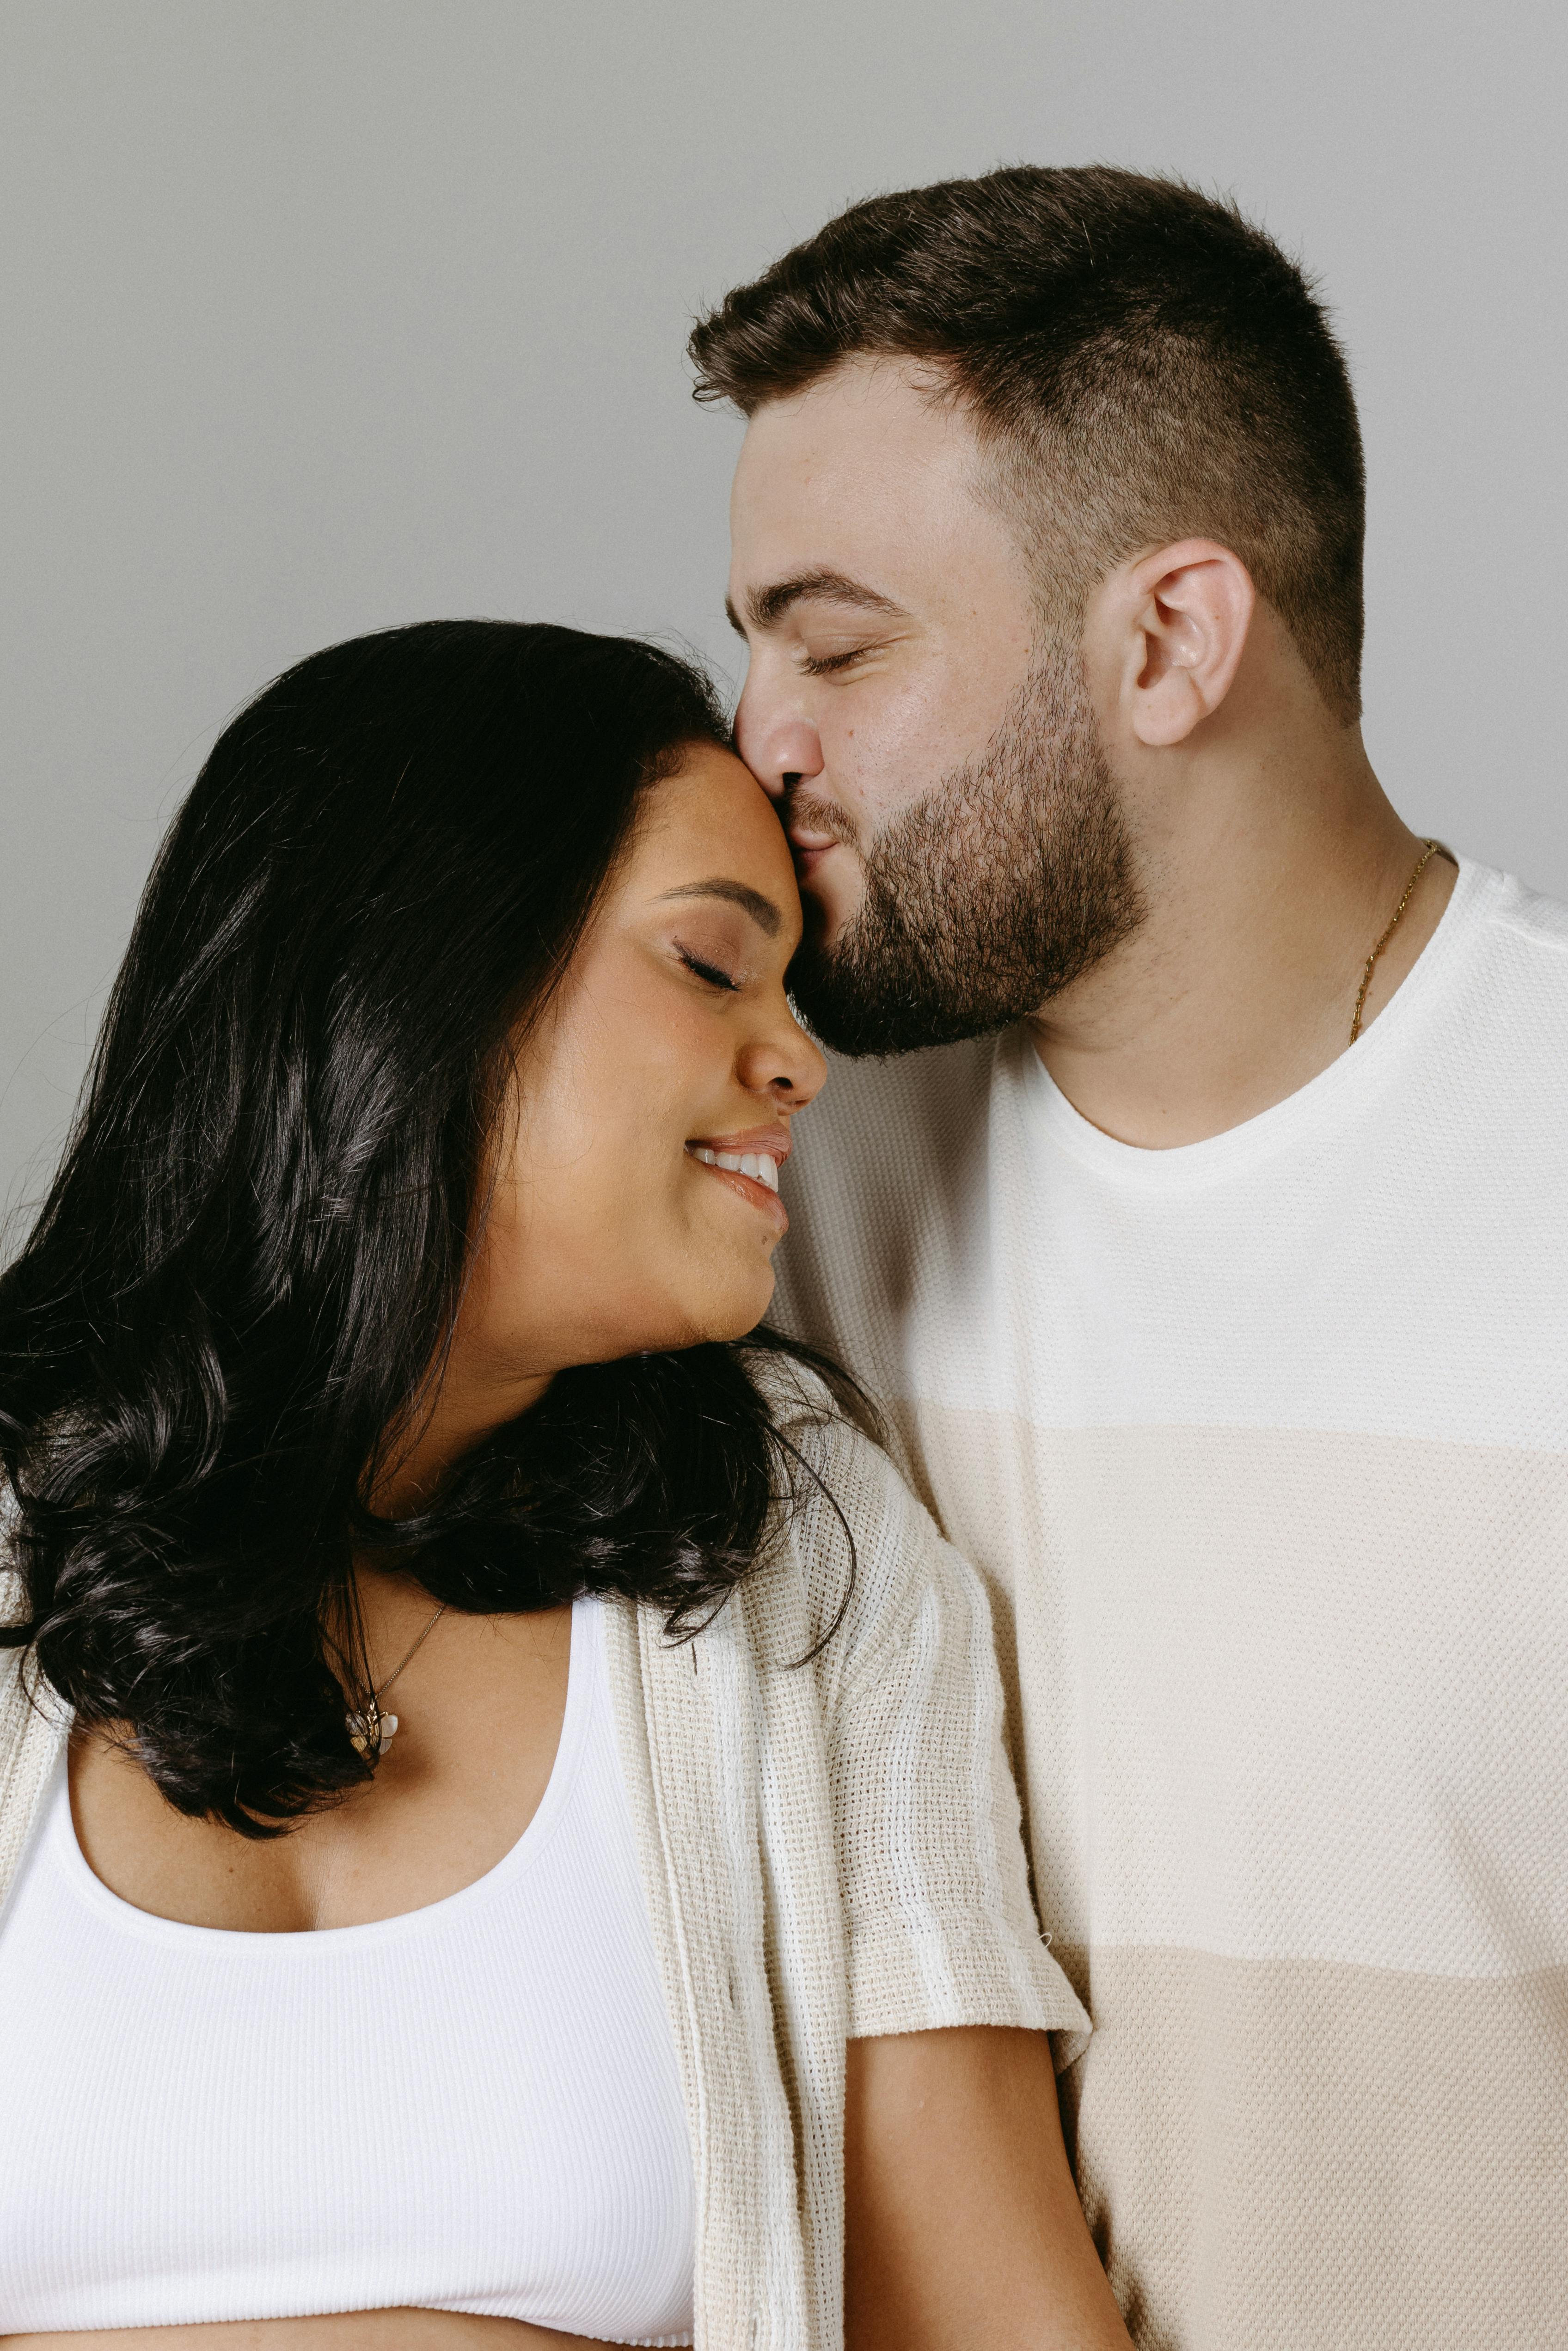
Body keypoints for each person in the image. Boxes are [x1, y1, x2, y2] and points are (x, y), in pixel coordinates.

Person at [0, 622, 1134, 2351]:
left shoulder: (797, 1566)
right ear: (424, 966)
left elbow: (998, 2320)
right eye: (710, 965)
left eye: (792, 995)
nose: (800, 1064)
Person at [693, 165, 1568, 2350]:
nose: (755, 744)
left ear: (1167, 641)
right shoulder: (768, 1184)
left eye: (837, 642)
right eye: (748, 648)